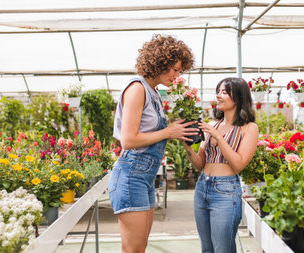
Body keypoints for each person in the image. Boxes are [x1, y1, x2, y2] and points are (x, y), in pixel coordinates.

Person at [108, 34, 197, 253]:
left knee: (139, 247)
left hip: (145, 175)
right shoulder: (137, 89)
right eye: (174, 69)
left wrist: (174, 129)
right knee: (133, 249)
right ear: (159, 63)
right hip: (132, 174)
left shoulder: (154, 92)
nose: (177, 75)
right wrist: (168, 131)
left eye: (180, 71)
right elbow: (128, 140)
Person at [183, 77, 259, 253]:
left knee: (222, 249)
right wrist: (186, 146)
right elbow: (200, 163)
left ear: (239, 98)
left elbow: (239, 164)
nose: (218, 96)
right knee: (207, 249)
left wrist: (218, 137)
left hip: (225, 191)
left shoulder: (248, 128)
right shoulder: (212, 125)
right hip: (202, 186)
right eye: (218, 92)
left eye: (224, 92)